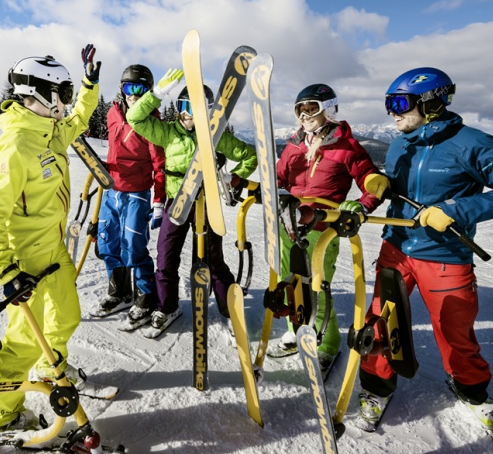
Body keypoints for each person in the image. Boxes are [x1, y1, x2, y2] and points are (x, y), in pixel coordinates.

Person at [357, 67, 493, 435]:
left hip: (444, 256)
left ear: (432, 102)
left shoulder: (474, 144)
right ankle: (377, 387)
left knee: (454, 328)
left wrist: (456, 210)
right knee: (380, 322)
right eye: (388, 104)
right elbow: (398, 189)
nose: (392, 112)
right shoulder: (399, 144)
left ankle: (471, 391)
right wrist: (377, 187)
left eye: (399, 103)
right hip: (396, 247)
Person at [0, 47, 100, 433]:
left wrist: (88, 84)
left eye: (65, 92)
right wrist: (6, 270)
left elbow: (79, 117)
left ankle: (50, 370)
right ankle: (0, 416)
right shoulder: (15, 146)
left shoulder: (49, 135)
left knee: (66, 316)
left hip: (54, 250)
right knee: (23, 342)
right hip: (27, 261)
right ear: (41, 93)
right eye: (60, 93)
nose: (64, 101)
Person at [126, 74, 258, 333]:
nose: (189, 115)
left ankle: (228, 309)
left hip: (206, 204)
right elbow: (134, 118)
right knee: (165, 257)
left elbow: (249, 156)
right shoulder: (167, 133)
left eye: (195, 109)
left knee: (213, 259)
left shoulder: (216, 135)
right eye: (184, 107)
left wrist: (232, 179)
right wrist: (157, 93)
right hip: (177, 201)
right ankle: (167, 306)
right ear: (178, 109)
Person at [272, 84, 382, 371]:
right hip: (290, 221)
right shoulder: (295, 144)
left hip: (323, 225)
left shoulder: (347, 147)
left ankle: (328, 342)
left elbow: (371, 180)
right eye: (300, 109)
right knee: (289, 279)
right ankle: (296, 328)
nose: (305, 115)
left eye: (312, 108)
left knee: (317, 286)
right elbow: (279, 178)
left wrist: (362, 204)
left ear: (328, 109)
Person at [94, 65, 166, 316]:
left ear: (148, 92)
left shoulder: (151, 121)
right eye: (128, 88)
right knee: (107, 243)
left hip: (137, 192)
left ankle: (145, 298)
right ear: (121, 89)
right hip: (111, 189)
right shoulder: (113, 114)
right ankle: (119, 293)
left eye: (140, 89)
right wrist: (104, 167)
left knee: (133, 246)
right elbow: (116, 151)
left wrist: (158, 200)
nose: (133, 95)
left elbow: (160, 164)